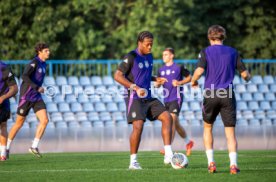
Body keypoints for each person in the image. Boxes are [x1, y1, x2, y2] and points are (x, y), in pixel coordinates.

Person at [191, 25, 251, 174]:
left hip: (211, 93)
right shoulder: (233, 52)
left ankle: (211, 163)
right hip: (227, 93)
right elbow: (244, 75)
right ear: (223, 37)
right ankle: (233, 165)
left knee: (207, 128)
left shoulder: (205, 51)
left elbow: (199, 71)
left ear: (210, 37)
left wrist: (193, 81)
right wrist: (248, 78)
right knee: (230, 133)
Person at [114, 31, 174, 170]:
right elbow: (117, 76)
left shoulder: (150, 56)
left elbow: (144, 75)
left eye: (152, 44)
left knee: (167, 117)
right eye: (148, 44)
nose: (150, 47)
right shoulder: (131, 56)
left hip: (148, 96)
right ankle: (133, 162)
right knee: (138, 126)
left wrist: (155, 79)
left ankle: (168, 154)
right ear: (139, 43)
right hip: (134, 96)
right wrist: (135, 87)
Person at [7, 43, 50, 158]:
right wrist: (37, 87)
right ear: (39, 52)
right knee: (19, 123)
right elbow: (24, 76)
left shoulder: (44, 64)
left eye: (48, 50)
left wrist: (39, 89)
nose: (48, 52)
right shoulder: (34, 62)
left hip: (36, 97)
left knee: (45, 120)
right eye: (46, 51)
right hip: (26, 96)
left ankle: (34, 146)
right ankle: (6, 147)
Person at [156, 48, 194, 156]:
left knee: (171, 119)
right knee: (175, 124)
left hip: (176, 98)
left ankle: (168, 147)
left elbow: (189, 77)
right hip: (166, 99)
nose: (164, 56)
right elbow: (158, 84)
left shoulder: (179, 67)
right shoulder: (161, 69)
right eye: (163, 55)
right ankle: (188, 142)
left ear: (172, 55)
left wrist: (180, 82)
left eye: (166, 54)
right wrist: (158, 84)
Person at [0, 61, 18, 161]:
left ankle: (3, 154)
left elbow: (14, 88)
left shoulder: (4, 67)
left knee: (3, 125)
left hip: (3, 103)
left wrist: (3, 97)